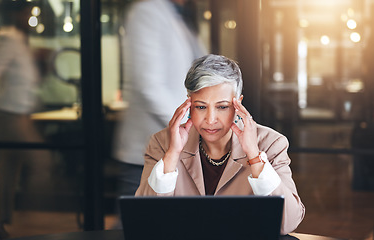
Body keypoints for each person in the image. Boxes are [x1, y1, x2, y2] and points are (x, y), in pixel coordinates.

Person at [135, 54, 305, 235]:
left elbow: (287, 223)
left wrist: (254, 156)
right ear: (189, 104)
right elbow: (145, 222)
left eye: (222, 107)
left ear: (238, 104)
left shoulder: (271, 144)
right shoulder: (162, 144)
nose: (210, 120)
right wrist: (172, 154)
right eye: (201, 107)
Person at [113, 0, 206, 198]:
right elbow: (150, 86)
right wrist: (193, 128)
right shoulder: (147, 13)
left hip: (181, 153)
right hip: (150, 152)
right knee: (140, 223)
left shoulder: (182, 17)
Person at [0, 1, 49, 239]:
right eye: (27, 13)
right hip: (11, 116)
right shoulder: (10, 39)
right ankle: (35, 218)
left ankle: (1, 221)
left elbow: (27, 81)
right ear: (17, 13)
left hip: (18, 114)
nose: (29, 17)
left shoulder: (20, 41)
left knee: (8, 170)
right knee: (42, 162)